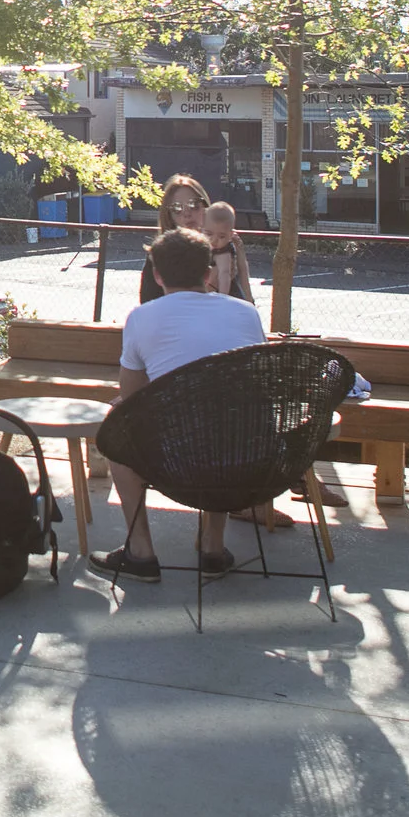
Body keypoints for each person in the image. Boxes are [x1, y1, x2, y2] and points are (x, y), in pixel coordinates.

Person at [91, 226, 270, 582]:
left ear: (157, 276)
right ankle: (213, 548)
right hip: (248, 461)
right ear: (208, 273)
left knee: (117, 423)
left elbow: (131, 394)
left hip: (175, 462)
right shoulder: (246, 313)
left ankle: (141, 553)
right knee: (224, 418)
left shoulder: (142, 317)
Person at [136, 175, 210, 304]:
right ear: (169, 216)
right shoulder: (158, 256)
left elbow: (244, 303)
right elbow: (148, 305)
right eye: (177, 208)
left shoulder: (225, 248)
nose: (187, 213)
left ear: (206, 207)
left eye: (193, 204)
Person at [204, 201, 253, 304]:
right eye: (209, 234)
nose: (214, 240)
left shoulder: (223, 252)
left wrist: (222, 297)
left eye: (221, 236)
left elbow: (224, 274)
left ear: (230, 235)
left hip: (228, 295)